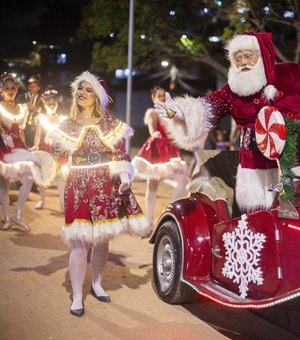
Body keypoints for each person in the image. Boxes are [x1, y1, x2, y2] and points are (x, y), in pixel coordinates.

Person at [155, 32, 300, 213]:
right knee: (257, 219)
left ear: (261, 55)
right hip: (255, 168)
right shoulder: (232, 90)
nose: (243, 62)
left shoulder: (290, 74)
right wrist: (179, 111)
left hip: (295, 162)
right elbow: (207, 107)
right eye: (238, 58)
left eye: (248, 56)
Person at [45, 71, 151, 317]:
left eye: (88, 89)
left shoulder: (110, 123)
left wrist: (124, 177)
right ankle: (77, 296)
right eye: (79, 88)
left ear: (98, 96)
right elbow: (55, 154)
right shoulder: (67, 124)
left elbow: (121, 155)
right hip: (79, 184)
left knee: (102, 239)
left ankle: (96, 284)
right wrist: (41, 161)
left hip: (106, 183)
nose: (82, 93)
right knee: (79, 241)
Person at [0, 73, 56, 231]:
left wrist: (26, 145)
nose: (10, 91)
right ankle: (7, 218)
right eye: (6, 88)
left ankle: (18, 214)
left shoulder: (21, 108)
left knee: (30, 176)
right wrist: (3, 134)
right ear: (1, 90)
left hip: (18, 146)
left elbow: (22, 130)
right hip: (4, 147)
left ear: (17, 89)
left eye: (12, 88)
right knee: (4, 186)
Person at [131, 86, 189, 231]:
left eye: (164, 95)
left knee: (183, 179)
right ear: (154, 98)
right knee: (153, 183)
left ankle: (171, 213)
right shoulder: (153, 112)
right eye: (159, 95)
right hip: (157, 147)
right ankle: (149, 221)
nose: (162, 98)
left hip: (170, 148)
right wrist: (154, 132)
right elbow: (151, 126)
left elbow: (179, 123)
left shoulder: (169, 111)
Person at [31, 87, 68, 212]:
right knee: (43, 177)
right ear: (44, 103)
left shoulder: (63, 119)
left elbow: (65, 137)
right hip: (44, 150)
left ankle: (63, 204)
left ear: (57, 104)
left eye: (54, 103)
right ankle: (41, 200)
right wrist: (35, 145)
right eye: (49, 103)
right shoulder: (40, 118)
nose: (51, 105)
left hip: (59, 151)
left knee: (61, 177)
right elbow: (38, 134)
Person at [17, 74, 42, 147]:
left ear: (38, 87)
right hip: (24, 121)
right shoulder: (22, 97)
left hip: (35, 123)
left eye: (35, 86)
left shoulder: (41, 98)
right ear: (28, 87)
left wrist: (38, 109)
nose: (32, 88)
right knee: (23, 139)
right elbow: (17, 105)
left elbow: (43, 110)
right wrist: (25, 106)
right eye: (31, 86)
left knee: (34, 139)